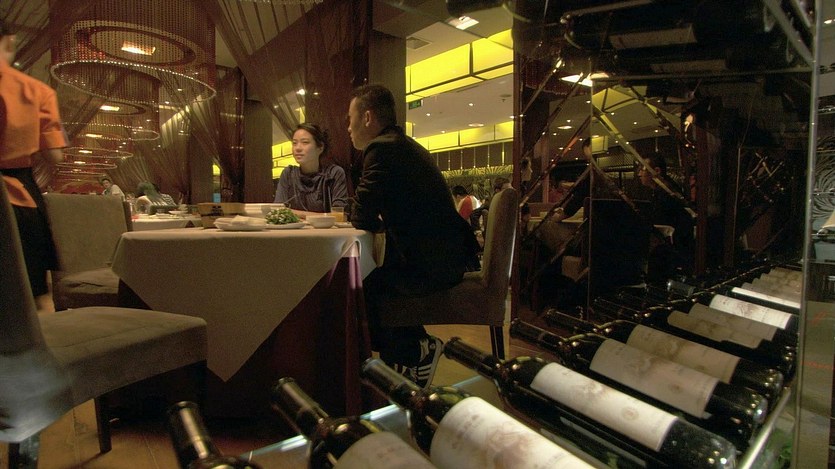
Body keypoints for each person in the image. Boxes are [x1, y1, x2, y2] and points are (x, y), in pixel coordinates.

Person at [348, 84, 479, 387]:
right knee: (370, 282)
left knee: (360, 289)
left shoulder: (382, 149)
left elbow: (361, 215)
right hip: (443, 257)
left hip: (434, 265)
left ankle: (413, 353)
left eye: (350, 118)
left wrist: (373, 220)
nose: (348, 127)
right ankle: (416, 351)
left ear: (367, 117)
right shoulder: (402, 145)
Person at [0, 20, 67, 311]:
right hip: (17, 198)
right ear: (10, 41)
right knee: (37, 294)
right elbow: (55, 156)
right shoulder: (36, 91)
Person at [274, 123, 348, 219]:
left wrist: (292, 213)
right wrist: (323, 216)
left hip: (326, 229)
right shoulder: (288, 174)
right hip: (294, 229)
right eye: (294, 143)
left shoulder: (333, 173)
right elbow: (278, 211)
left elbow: (340, 216)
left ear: (320, 147)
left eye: (305, 142)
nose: (298, 148)